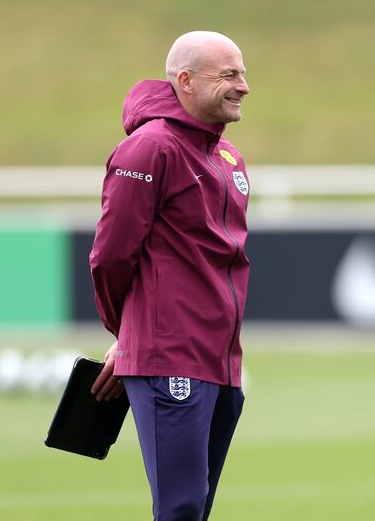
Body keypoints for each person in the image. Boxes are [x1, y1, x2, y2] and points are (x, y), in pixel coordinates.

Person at [89, 31, 251, 520]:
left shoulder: (228, 157)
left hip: (222, 361)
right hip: (170, 359)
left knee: (196, 507)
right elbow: (110, 257)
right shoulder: (149, 148)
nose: (244, 85)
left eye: (243, 73)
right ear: (185, 80)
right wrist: (130, 335)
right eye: (229, 75)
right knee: (179, 508)